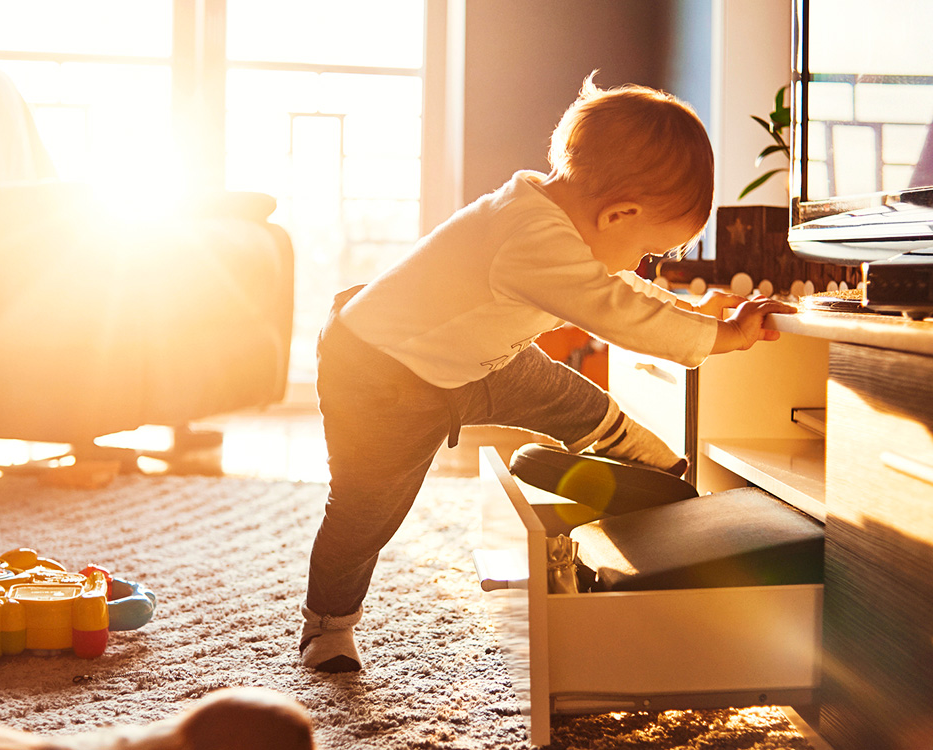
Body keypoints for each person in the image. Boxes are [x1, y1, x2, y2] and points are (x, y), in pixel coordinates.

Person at [298, 73, 796, 673]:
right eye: (650, 249)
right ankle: (328, 625)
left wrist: (691, 310)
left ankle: (650, 464)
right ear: (620, 214)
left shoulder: (551, 217)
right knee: (367, 509)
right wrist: (719, 337)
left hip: (477, 358)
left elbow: (616, 285)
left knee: (568, 396)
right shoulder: (532, 236)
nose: (644, 263)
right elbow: (614, 309)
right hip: (383, 375)